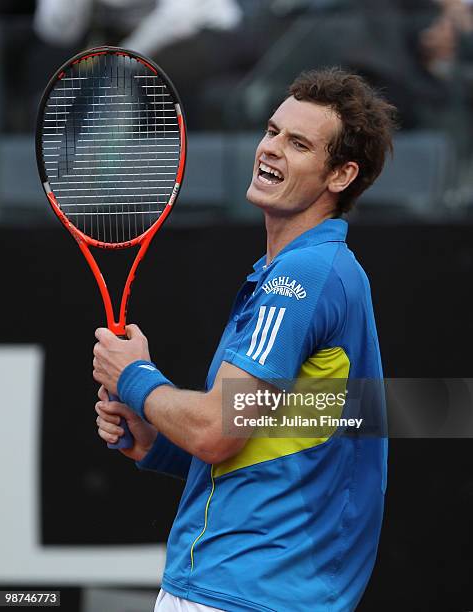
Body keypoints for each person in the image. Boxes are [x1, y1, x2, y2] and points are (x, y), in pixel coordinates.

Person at [93, 68, 397, 612]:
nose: (272, 148)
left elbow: (216, 430)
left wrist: (135, 378)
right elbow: (282, 445)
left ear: (341, 175)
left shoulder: (303, 275)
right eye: (273, 130)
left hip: (247, 592)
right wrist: (156, 443)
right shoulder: (304, 271)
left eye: (298, 143)